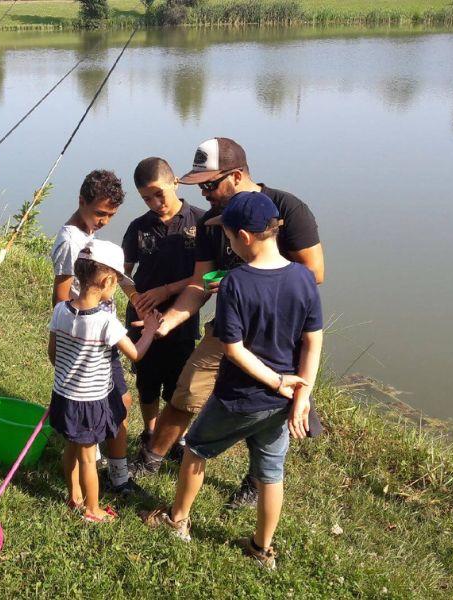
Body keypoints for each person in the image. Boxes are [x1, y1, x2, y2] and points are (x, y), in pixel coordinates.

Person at [130, 138, 325, 511]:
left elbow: (314, 273)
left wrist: (251, 279)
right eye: (199, 187)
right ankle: (151, 459)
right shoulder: (211, 223)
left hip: (280, 330)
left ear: (236, 176)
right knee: (186, 392)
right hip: (229, 327)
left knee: (272, 406)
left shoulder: (288, 209)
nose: (204, 194)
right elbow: (199, 284)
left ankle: (255, 482)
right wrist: (168, 321)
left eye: (209, 184)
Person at [141, 191, 324, 570]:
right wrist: (301, 392)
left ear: (243, 236)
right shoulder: (304, 278)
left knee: (197, 450)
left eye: (226, 236)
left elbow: (234, 350)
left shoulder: (236, 283)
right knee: (271, 474)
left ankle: (177, 521)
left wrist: (276, 382)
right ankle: (262, 549)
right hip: (282, 403)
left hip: (239, 397)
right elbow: (313, 341)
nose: (226, 243)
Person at [48, 240, 161, 522]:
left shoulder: (60, 309)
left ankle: (73, 496)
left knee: (71, 447)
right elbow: (135, 353)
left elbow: (53, 352)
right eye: (116, 284)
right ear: (108, 280)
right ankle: (92, 509)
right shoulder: (105, 322)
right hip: (89, 401)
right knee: (88, 457)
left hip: (63, 394)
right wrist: (149, 330)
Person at [49, 169, 139, 495]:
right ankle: (117, 478)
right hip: (91, 341)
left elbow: (111, 273)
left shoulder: (88, 235)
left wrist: (136, 296)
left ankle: (109, 466)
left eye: (110, 215)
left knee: (118, 403)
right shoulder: (69, 241)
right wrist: (65, 339)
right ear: (81, 201)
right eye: (99, 213)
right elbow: (61, 295)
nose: (103, 221)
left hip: (101, 337)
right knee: (119, 403)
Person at [122, 157, 205, 452]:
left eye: (159, 193)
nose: (155, 203)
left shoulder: (201, 222)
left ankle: (174, 439)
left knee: (178, 384)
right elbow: (122, 273)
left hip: (181, 318)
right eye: (147, 198)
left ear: (175, 182)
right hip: (143, 319)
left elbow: (211, 274)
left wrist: (167, 290)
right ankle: (150, 432)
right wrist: (138, 300)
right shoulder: (138, 227)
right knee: (147, 380)